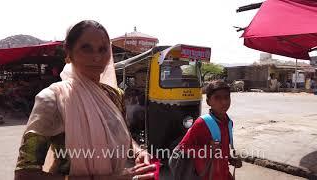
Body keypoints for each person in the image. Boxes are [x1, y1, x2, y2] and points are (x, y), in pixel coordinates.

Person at [14, 20, 157, 180]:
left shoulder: (115, 95)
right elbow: (24, 174)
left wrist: (139, 151)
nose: (97, 57)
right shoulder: (52, 99)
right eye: (86, 48)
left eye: (103, 49)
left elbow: (121, 135)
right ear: (68, 53)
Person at [176, 80, 242, 180]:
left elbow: (223, 150)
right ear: (208, 101)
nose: (224, 102)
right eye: (217, 98)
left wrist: (231, 159)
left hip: (223, 174)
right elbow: (183, 148)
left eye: (226, 97)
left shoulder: (229, 123)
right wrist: (207, 150)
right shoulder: (202, 123)